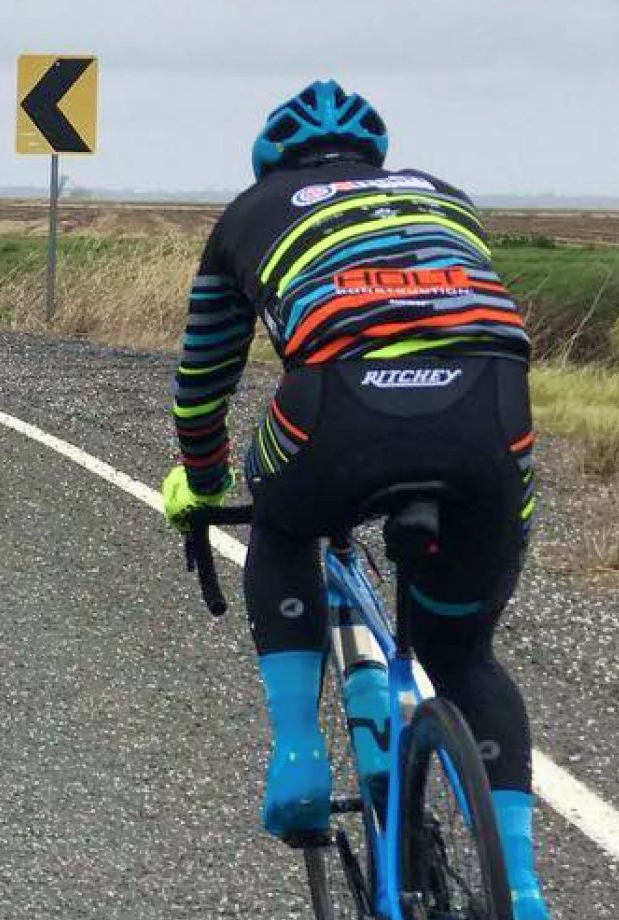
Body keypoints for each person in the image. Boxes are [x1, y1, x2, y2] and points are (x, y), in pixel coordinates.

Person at [160, 81, 548, 919]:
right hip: (490, 415)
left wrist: (202, 479)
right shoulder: (443, 194)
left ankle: (299, 754)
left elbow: (201, 382)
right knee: (464, 654)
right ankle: (520, 890)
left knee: (284, 524)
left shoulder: (248, 213)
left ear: (272, 163)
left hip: (339, 413)